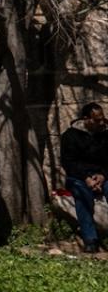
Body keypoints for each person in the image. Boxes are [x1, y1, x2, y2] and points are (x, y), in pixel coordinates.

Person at [60, 102, 107, 253]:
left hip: (102, 176)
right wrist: (86, 178)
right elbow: (69, 162)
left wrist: (102, 175)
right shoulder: (70, 136)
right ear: (86, 119)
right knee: (82, 194)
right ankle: (90, 239)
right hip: (79, 177)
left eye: (102, 119)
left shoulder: (106, 135)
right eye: (97, 120)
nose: (101, 122)